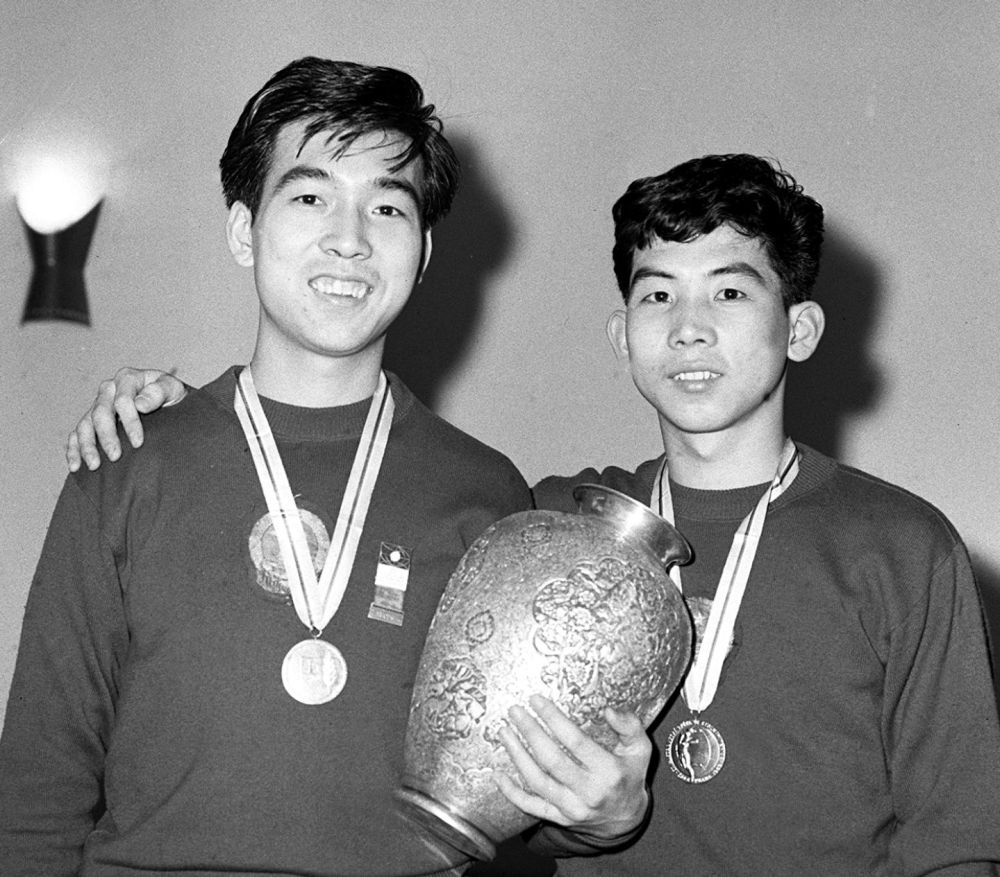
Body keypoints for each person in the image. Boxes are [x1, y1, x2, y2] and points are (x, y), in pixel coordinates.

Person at [64, 153, 1000, 875]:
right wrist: (167, 408)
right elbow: (487, 798)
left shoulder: (900, 547)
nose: (689, 327)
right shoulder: (544, 527)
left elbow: (958, 842)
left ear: (799, 328)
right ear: (621, 335)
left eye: (730, 290)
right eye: (657, 293)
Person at [0, 57, 651, 876]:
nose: (349, 238)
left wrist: (605, 816)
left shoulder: (485, 494)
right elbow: (37, 793)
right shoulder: (128, 465)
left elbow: (510, 793)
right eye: (310, 197)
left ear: (422, 251)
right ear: (244, 231)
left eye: (387, 206)